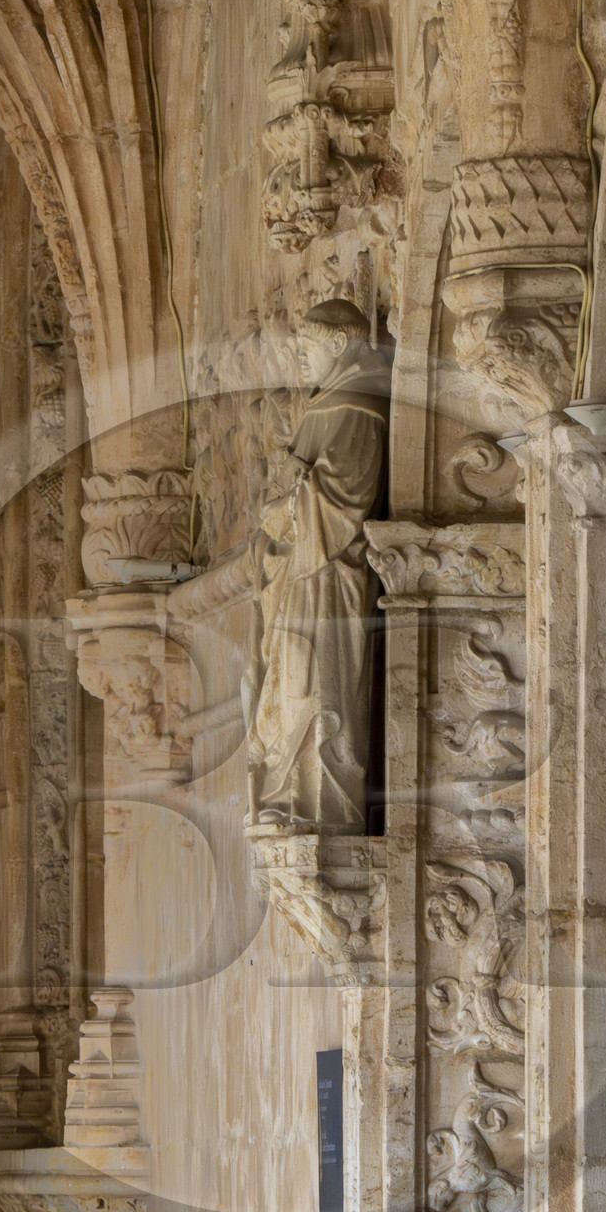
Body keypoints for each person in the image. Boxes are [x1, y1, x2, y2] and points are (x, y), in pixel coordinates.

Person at [246, 297, 393, 827]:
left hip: (326, 575)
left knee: (317, 685)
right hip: (298, 577)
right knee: (288, 686)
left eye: (308, 347)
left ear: (337, 343)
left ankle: (323, 808)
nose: (301, 360)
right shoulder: (329, 404)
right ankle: (289, 795)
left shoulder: (355, 406)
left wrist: (284, 503)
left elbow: (341, 501)